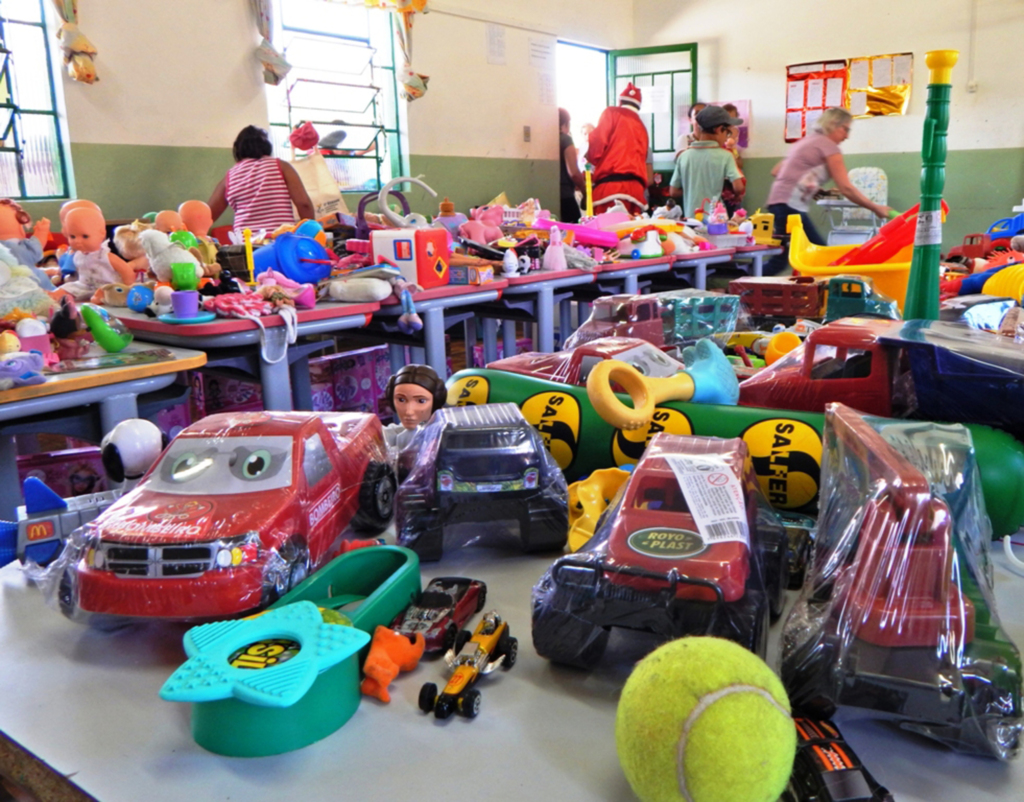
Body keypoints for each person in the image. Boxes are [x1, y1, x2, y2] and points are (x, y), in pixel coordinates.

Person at [764, 107, 894, 275]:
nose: (847, 136)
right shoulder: (829, 147)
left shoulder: (807, 141)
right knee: (819, 255)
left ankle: (742, 287)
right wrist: (876, 207)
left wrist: (812, 187)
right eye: (845, 129)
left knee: (782, 258)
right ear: (833, 125)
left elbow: (776, 171)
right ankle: (740, 288)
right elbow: (846, 188)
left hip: (778, 203)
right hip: (789, 206)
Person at [208, 126, 315, 239]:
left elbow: (206, 216)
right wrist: (312, 235)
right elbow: (304, 204)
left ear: (238, 149)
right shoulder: (281, 166)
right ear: (267, 146)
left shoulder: (230, 176)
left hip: (247, 247)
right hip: (280, 243)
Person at [669, 105, 746, 220]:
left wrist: (694, 189)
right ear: (718, 129)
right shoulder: (725, 156)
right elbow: (738, 187)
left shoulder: (684, 156)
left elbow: (673, 191)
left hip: (692, 219)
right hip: (716, 219)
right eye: (727, 132)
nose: (726, 138)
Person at [585, 83, 652, 215]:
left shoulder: (611, 113)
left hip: (610, 189)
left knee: (605, 233)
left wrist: (588, 156)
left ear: (620, 101)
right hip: (636, 192)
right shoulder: (642, 128)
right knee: (632, 233)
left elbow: (596, 148)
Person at [383, 363, 447, 453]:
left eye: (421, 401)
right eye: (401, 400)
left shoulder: (440, 438)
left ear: (435, 402)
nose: (409, 411)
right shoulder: (397, 432)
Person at [558, 108, 586, 224]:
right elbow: (574, 173)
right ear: (566, 124)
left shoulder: (544, 139)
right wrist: (586, 192)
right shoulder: (565, 139)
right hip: (566, 198)